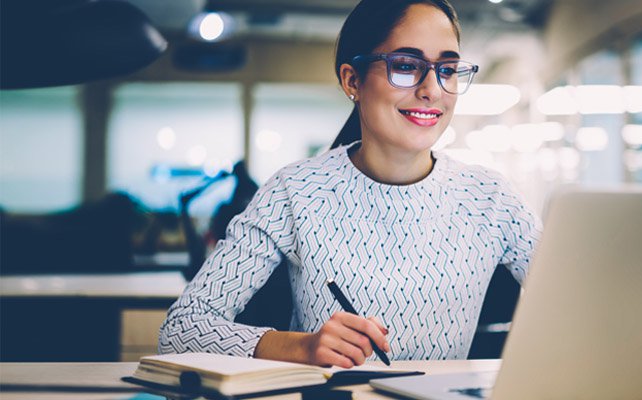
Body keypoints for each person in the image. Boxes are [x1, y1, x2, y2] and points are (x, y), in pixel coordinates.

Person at [159, 0, 541, 369]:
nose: (433, 89)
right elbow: (182, 328)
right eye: (407, 65)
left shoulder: (491, 199)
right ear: (352, 80)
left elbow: (585, 305)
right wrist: (300, 347)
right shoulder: (297, 191)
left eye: (447, 69)